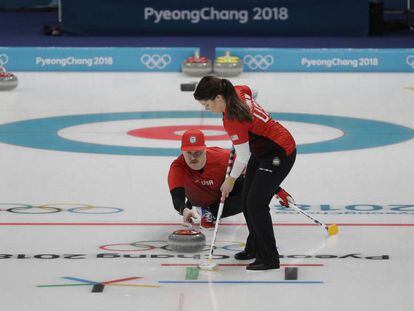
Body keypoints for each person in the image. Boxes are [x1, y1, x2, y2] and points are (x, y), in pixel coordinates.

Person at [193, 76, 296, 271]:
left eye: (207, 105)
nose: (207, 109)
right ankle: (255, 247)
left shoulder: (233, 118)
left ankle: (269, 258)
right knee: (247, 199)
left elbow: (242, 156)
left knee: (256, 203)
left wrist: (230, 181)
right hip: (262, 150)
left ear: (217, 98)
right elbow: (253, 91)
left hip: (279, 153)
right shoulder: (236, 90)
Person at [168, 129, 245, 229]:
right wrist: (184, 210)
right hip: (199, 198)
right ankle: (207, 209)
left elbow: (247, 168)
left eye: (197, 153)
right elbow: (176, 196)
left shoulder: (223, 157)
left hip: (220, 191)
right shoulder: (178, 167)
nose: (193, 157)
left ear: (205, 150)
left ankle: (211, 210)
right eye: (188, 153)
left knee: (250, 195)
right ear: (182, 151)